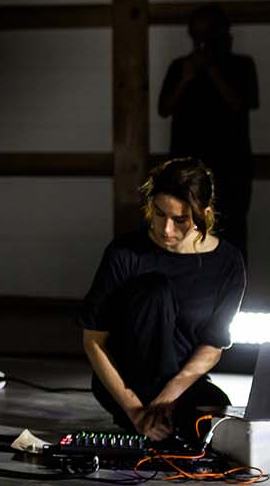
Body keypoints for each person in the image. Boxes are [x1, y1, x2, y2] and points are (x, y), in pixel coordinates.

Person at [79, 158, 246, 442]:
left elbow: (212, 345)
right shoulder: (125, 253)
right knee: (155, 288)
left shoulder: (227, 262)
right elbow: (93, 341)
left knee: (214, 424)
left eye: (180, 220)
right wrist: (134, 410)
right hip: (127, 382)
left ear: (204, 214)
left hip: (180, 383)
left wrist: (168, 397)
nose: (166, 229)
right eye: (159, 214)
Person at [157, 4, 258, 254]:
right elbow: (164, 108)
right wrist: (186, 78)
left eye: (208, 33)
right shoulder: (181, 66)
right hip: (186, 170)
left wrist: (212, 70)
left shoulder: (241, 66)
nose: (202, 41)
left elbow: (240, 104)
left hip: (230, 168)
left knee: (231, 235)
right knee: (184, 234)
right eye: (196, 34)